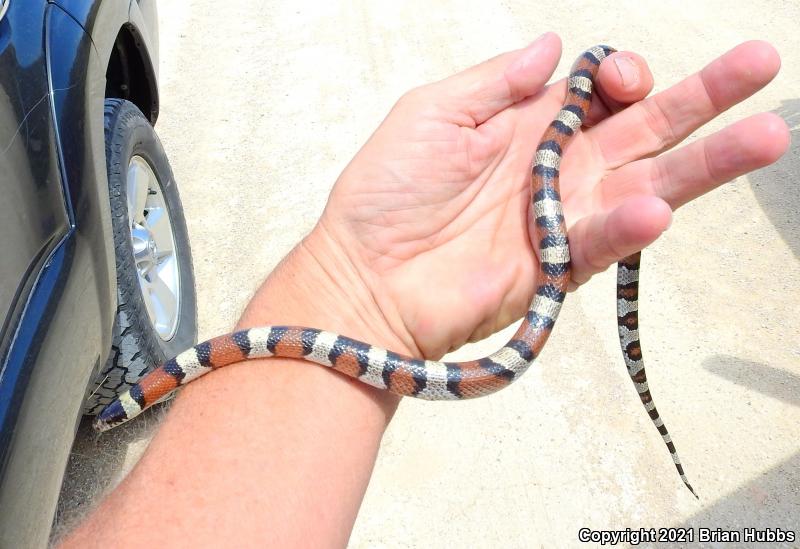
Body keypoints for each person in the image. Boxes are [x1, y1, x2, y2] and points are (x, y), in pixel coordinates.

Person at [60, 33, 788, 547]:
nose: (137, 400)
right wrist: (354, 288)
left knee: (610, 98)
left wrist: (588, 84)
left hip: (424, 287)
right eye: (135, 399)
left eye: (135, 399)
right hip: (383, 315)